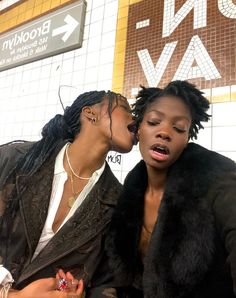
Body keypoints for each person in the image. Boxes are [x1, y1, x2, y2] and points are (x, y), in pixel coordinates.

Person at [0, 90, 136, 298]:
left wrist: (77, 295)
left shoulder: (119, 202)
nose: (134, 118)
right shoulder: (14, 160)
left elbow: (107, 284)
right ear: (90, 114)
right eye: (125, 108)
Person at [106, 80, 236, 298]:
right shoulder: (132, 186)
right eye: (154, 121)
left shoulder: (217, 177)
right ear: (139, 129)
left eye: (179, 128)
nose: (165, 132)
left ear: (186, 139)